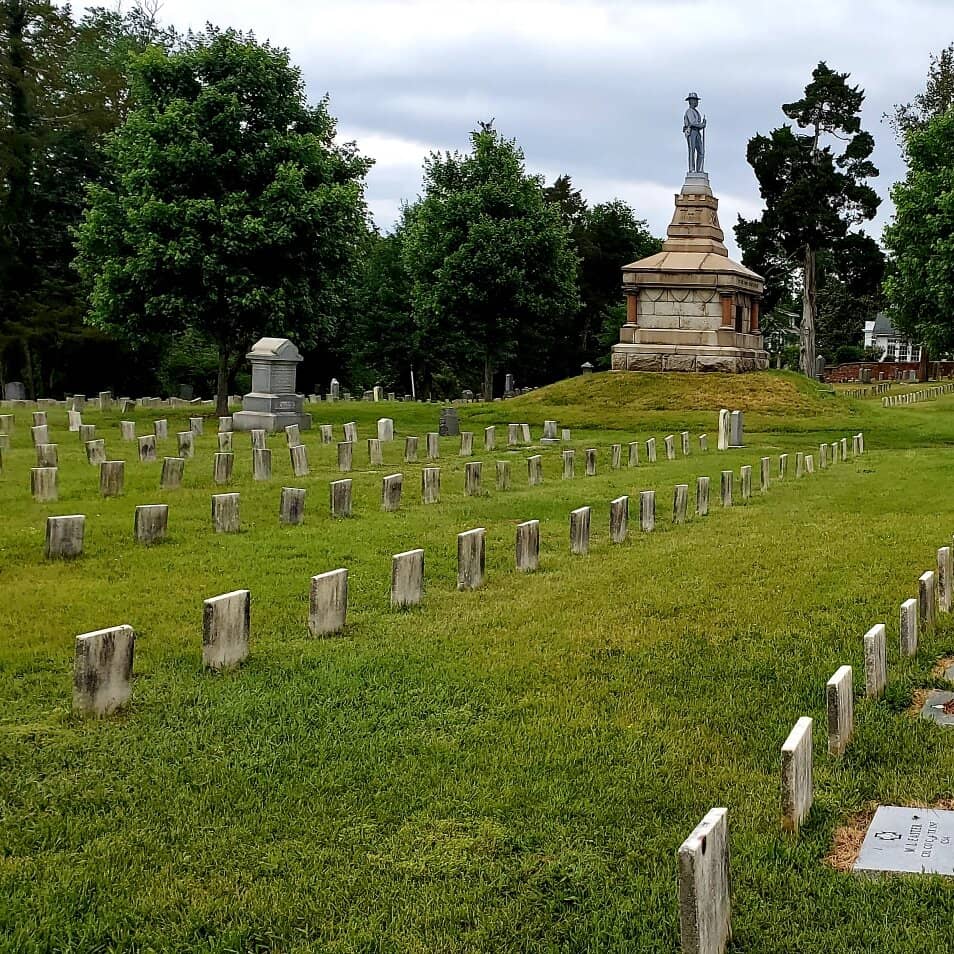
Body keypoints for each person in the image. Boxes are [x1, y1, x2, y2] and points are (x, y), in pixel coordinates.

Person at [683, 93, 706, 173]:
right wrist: (702, 125)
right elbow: (693, 123)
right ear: (690, 101)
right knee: (692, 150)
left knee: (701, 151)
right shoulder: (689, 111)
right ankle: (692, 169)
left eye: (696, 100)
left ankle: (699, 169)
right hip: (691, 131)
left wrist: (701, 125)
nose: (696, 102)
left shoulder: (696, 111)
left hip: (697, 132)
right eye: (694, 100)